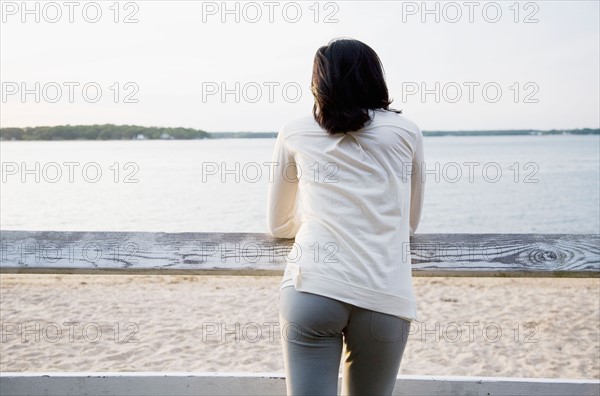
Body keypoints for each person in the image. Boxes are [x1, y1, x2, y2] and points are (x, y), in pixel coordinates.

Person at [266, 38, 425, 396]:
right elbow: (410, 222)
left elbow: (277, 225)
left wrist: (315, 223)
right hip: (384, 292)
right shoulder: (407, 131)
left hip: (312, 289)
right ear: (375, 78)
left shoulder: (294, 131)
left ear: (318, 82)